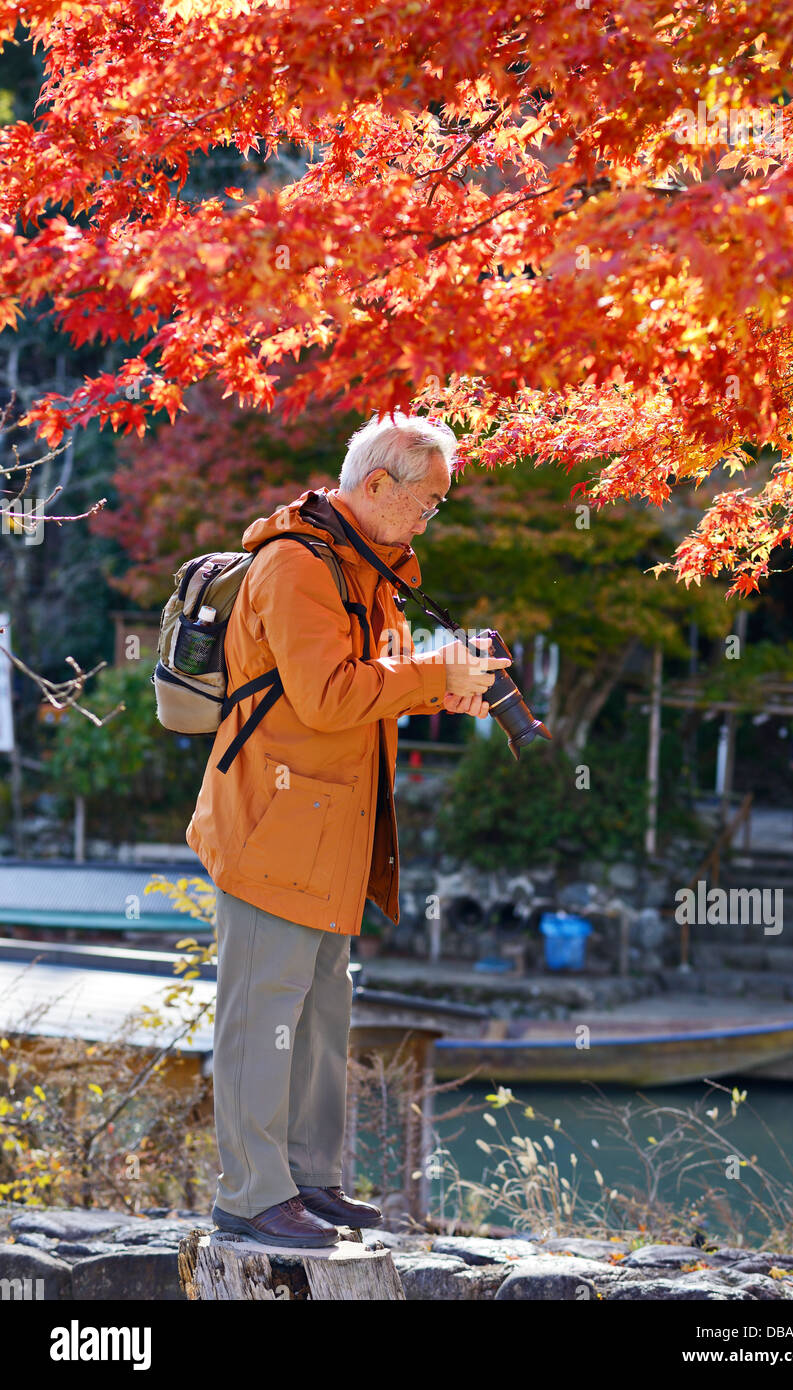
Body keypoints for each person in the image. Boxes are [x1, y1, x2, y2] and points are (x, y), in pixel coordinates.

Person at [186, 412, 510, 1248]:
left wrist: (449, 687)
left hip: (329, 827)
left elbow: (377, 683)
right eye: (428, 501)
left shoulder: (368, 566)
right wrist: (434, 673)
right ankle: (251, 1194)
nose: (431, 516)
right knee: (263, 1013)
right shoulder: (296, 566)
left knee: (323, 1007)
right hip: (274, 825)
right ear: (377, 486)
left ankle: (307, 1178)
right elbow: (329, 695)